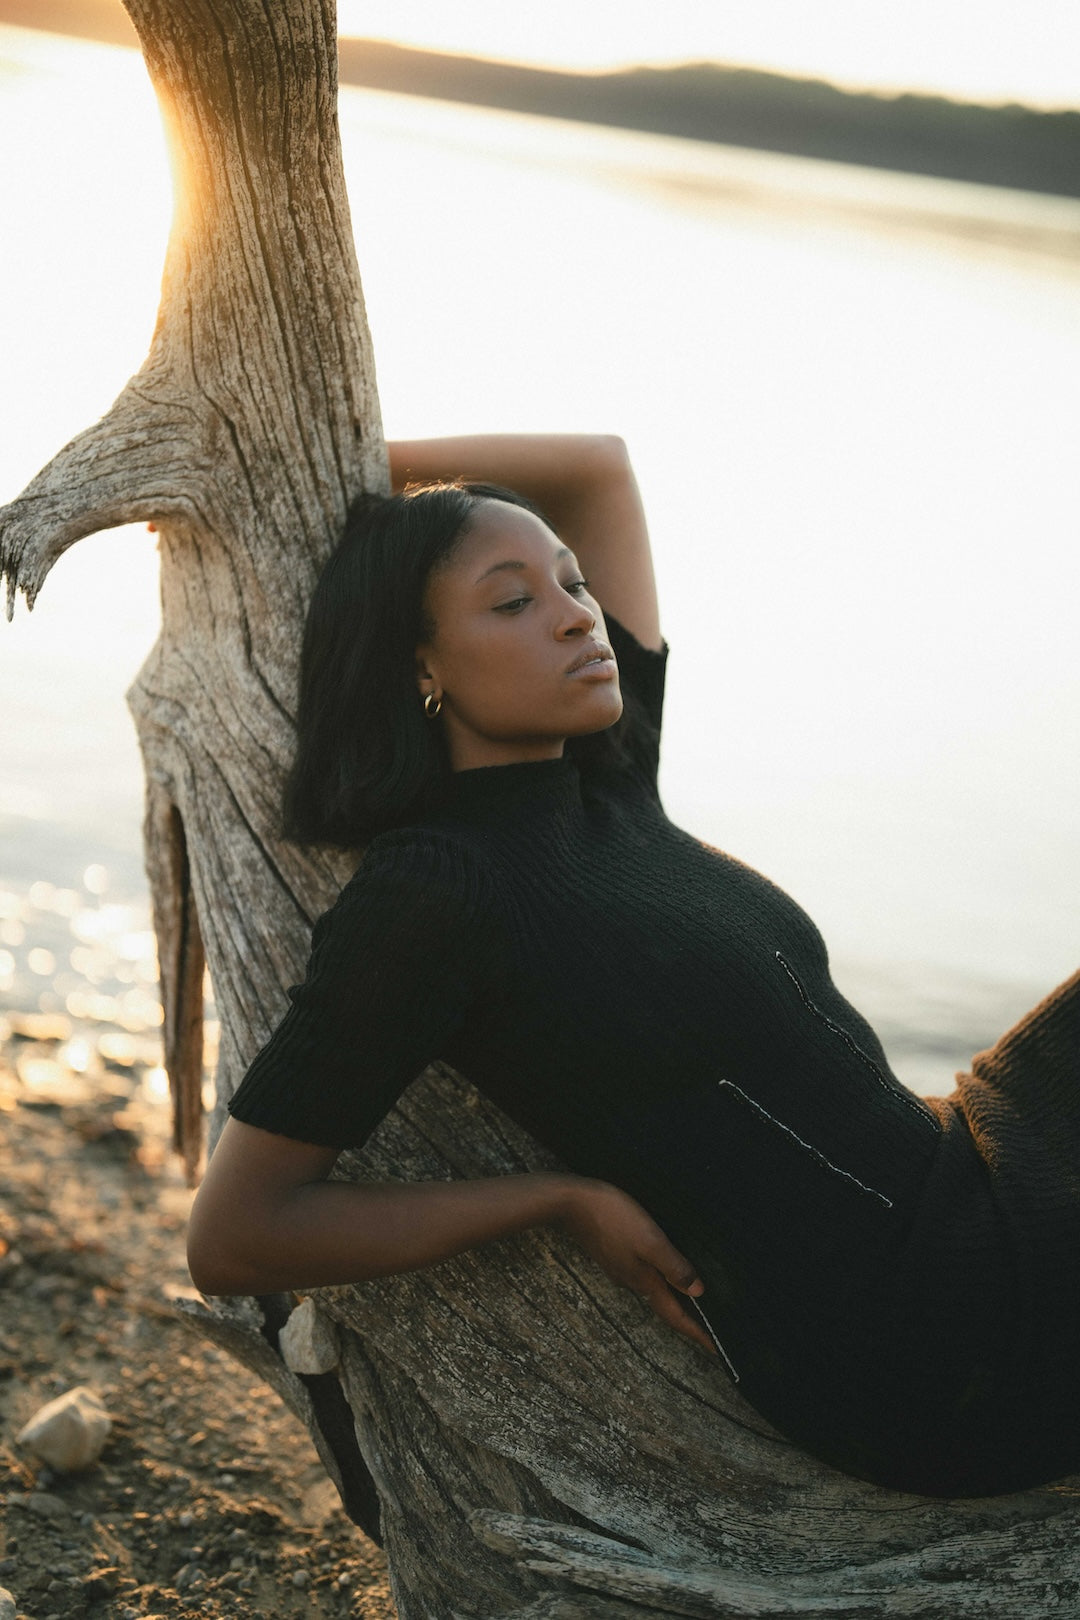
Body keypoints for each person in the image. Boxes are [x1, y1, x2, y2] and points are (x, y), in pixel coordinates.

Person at [185, 433, 1080, 1499]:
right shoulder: (436, 892)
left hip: (974, 1176)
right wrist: (552, 1198)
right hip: (936, 1341)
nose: (579, 614)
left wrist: (316, 454)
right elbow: (236, 1236)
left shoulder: (606, 780)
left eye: (573, 582)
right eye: (512, 603)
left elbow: (598, 467)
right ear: (418, 666)